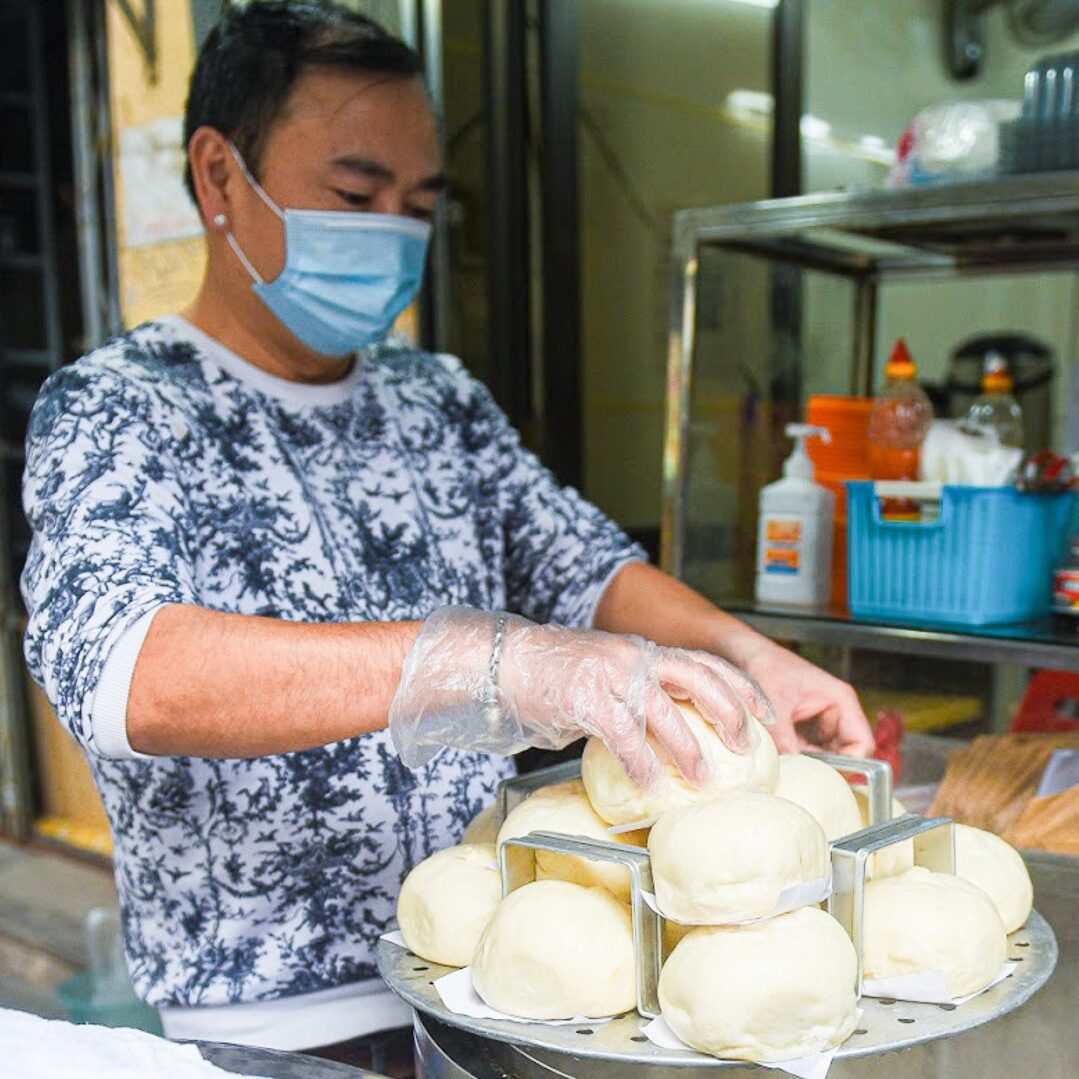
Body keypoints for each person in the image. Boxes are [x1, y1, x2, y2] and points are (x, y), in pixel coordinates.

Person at [20, 1, 872, 1070]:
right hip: (281, 1023)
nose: (390, 229)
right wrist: (487, 664)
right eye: (353, 192)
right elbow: (121, 670)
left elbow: (581, 563)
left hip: (503, 978)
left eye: (418, 202)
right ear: (219, 177)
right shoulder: (124, 409)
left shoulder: (435, 400)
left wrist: (742, 655)